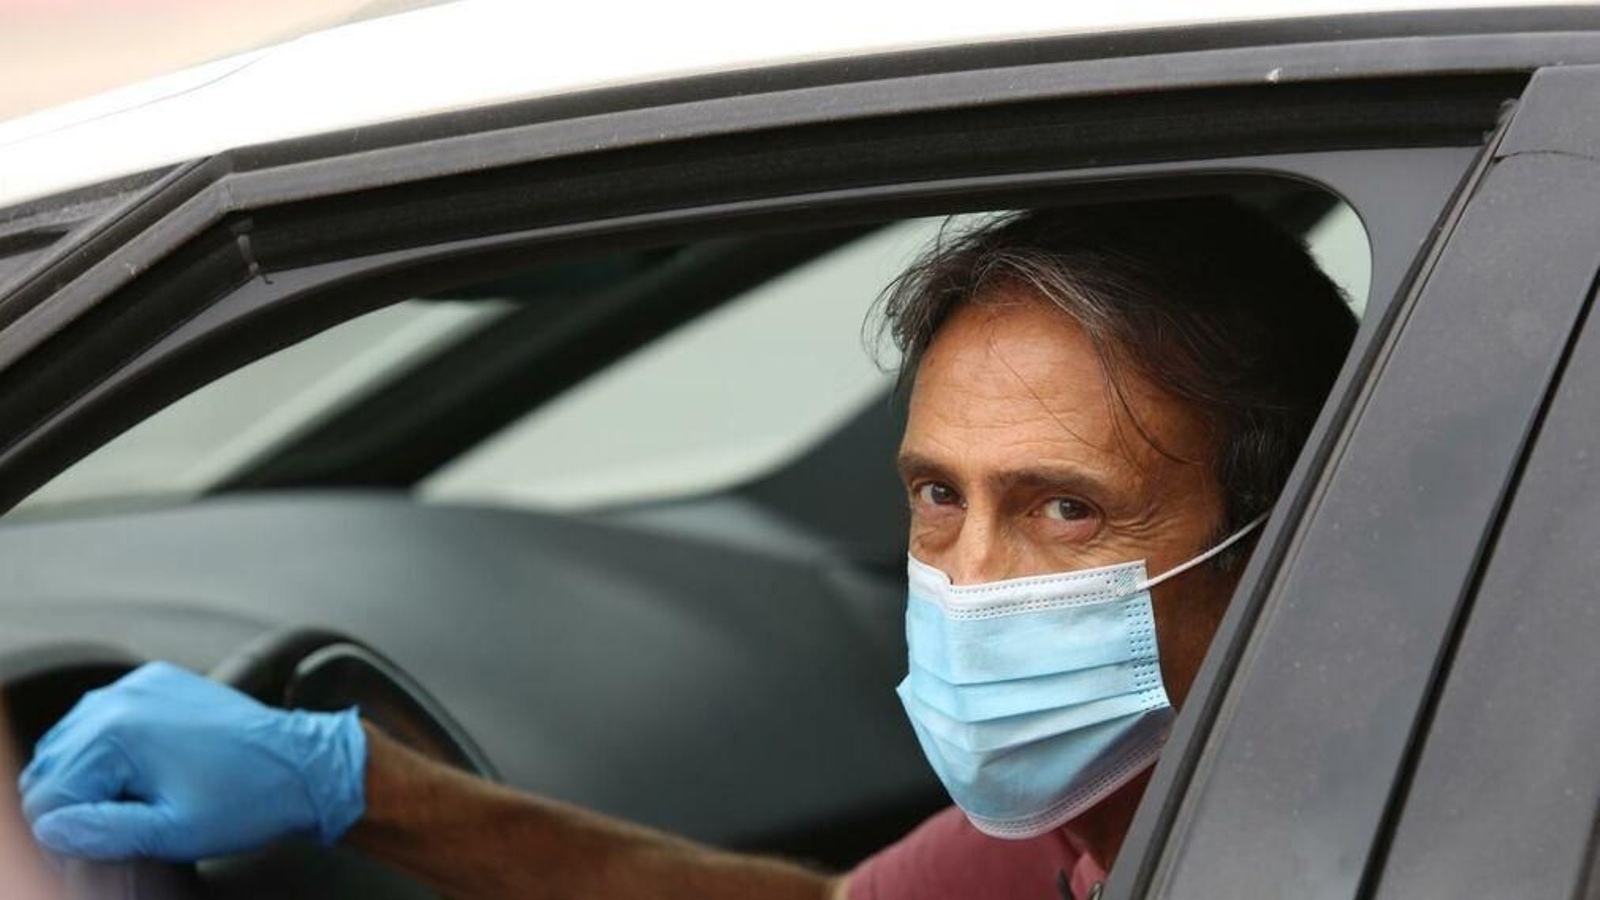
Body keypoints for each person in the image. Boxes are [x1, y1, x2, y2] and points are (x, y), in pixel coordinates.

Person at [17, 197, 1356, 900]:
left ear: (1279, 541)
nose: (972, 584)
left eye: (1066, 509)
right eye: (938, 497)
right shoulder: (1116, 813)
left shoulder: (1363, 839)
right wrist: (362, 786)